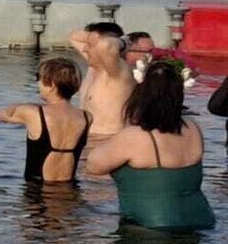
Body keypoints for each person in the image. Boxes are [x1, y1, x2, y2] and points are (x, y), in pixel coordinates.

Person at [85, 54, 215, 231]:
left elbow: (93, 165)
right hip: (201, 219)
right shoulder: (193, 128)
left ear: (142, 94)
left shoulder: (135, 136)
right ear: (179, 95)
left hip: (153, 225)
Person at [0, 58, 92, 183]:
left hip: (37, 192)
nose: (38, 83)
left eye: (39, 78)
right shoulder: (87, 117)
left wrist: (25, 105)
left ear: (51, 85)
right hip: (69, 190)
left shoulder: (33, 113)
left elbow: (2, 115)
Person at [71, 22, 130, 138]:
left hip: (107, 140)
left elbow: (106, 45)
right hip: (87, 139)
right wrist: (92, 37)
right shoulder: (94, 66)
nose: (84, 48)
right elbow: (73, 36)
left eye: (90, 45)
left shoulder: (117, 72)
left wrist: (123, 43)